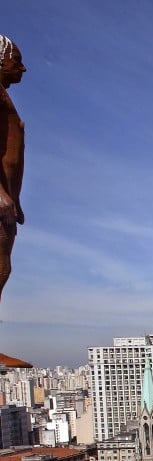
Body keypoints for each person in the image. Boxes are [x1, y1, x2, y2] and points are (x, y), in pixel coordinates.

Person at [0, 36, 26, 303]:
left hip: (7, 205)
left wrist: (15, 199)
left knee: (3, 267)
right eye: (16, 61)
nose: (22, 68)